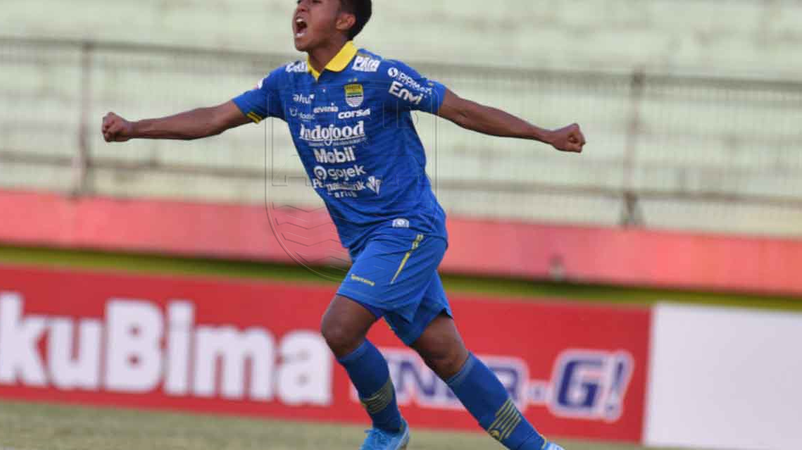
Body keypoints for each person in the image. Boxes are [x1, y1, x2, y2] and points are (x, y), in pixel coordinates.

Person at [102, 1, 586, 448]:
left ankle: (388, 430)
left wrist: (545, 134)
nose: (301, 6)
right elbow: (213, 118)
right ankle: (540, 448)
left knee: (339, 328)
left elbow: (460, 109)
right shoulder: (284, 84)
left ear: (345, 19)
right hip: (368, 244)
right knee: (445, 355)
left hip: (409, 230)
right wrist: (136, 128)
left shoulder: (381, 76)